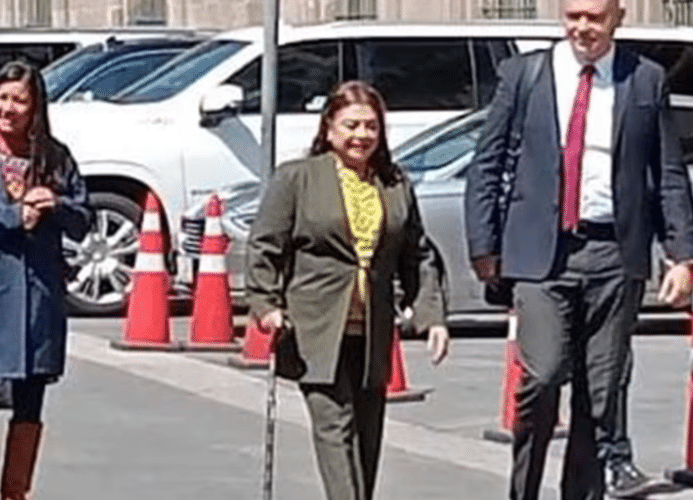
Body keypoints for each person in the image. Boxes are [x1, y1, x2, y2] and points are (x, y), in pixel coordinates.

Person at [463, 0, 693, 498]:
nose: (583, 28)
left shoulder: (644, 79)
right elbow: (487, 163)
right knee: (543, 375)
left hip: (614, 252)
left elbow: (668, 173)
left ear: (618, 18)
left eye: (594, 17)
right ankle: (524, 489)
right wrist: (484, 244)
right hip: (541, 254)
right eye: (574, 17)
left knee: (600, 394)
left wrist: (682, 255)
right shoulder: (525, 75)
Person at [245, 80, 449, 500]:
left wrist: (432, 317)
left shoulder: (394, 183)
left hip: (371, 330)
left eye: (371, 126)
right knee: (335, 427)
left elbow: (416, 255)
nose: (362, 135)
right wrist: (266, 305)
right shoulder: (298, 178)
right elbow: (265, 245)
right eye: (351, 125)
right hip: (315, 329)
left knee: (366, 437)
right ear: (329, 127)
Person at [0, 60, 92, 500]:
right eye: (1, 98)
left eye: (18, 100)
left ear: (35, 107)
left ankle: (15, 491)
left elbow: (82, 220)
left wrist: (56, 203)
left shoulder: (55, 157)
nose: (7, 108)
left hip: (38, 293)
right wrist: (11, 215)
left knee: (30, 398)